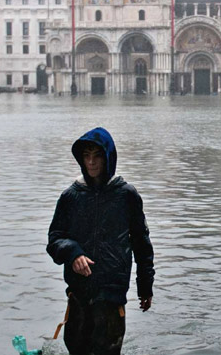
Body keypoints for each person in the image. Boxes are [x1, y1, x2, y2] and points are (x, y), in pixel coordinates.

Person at [47, 127, 155, 355]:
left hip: (111, 292)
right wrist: (73, 253)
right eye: (86, 156)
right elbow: (55, 240)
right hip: (78, 292)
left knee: (108, 349)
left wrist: (145, 287)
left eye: (97, 156)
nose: (92, 163)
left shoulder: (126, 195)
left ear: (108, 158)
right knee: (77, 348)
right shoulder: (70, 197)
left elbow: (141, 245)